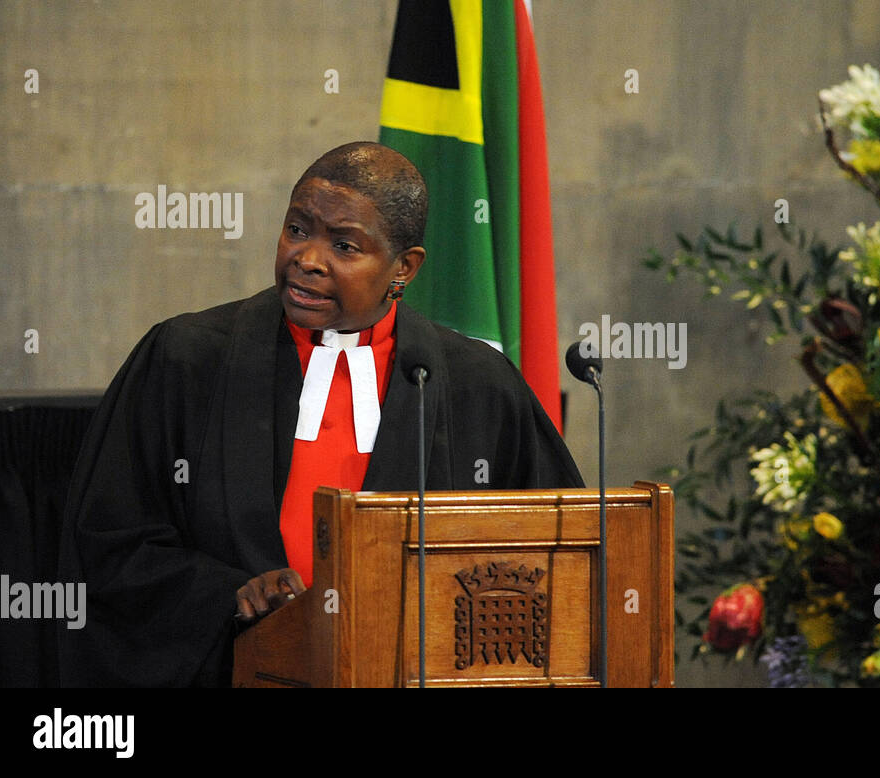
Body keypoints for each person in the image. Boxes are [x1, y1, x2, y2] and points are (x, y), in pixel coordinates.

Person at [57, 142, 583, 687]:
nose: (307, 259)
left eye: (345, 245)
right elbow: (110, 539)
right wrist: (229, 594)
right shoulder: (187, 359)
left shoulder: (476, 383)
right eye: (297, 229)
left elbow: (555, 552)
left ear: (403, 267)